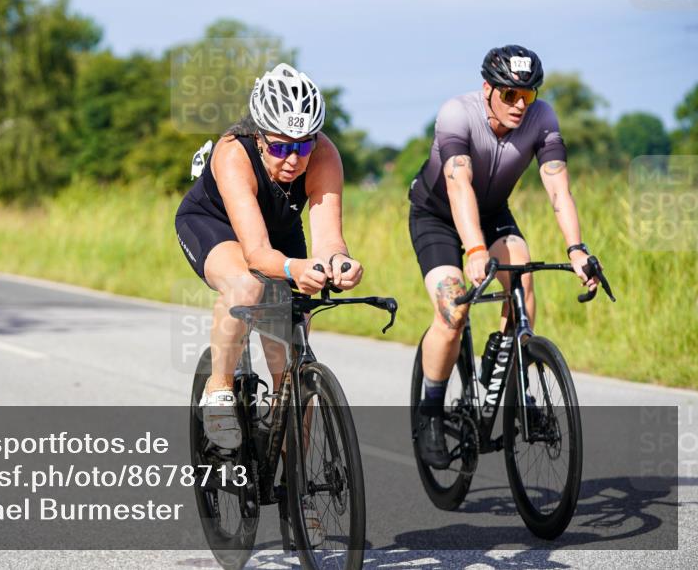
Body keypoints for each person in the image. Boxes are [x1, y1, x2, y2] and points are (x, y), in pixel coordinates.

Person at [407, 45, 602, 468]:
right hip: (438, 215)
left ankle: (513, 375)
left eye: (527, 96)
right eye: (510, 94)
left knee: (522, 275)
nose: (519, 105)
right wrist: (474, 250)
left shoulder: (543, 118)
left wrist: (576, 248)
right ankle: (432, 411)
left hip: (493, 213)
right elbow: (458, 185)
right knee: (453, 307)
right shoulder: (456, 114)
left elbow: (558, 189)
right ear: (487, 89)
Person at [176, 62, 363, 443]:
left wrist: (339, 264)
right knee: (247, 287)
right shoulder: (233, 153)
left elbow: (329, 239)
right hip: (216, 224)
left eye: (303, 146)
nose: (293, 160)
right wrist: (295, 269)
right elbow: (257, 253)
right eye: (280, 147)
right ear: (260, 136)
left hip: (280, 232)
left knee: (293, 381)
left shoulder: (325, 156)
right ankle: (218, 389)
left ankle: (295, 486)